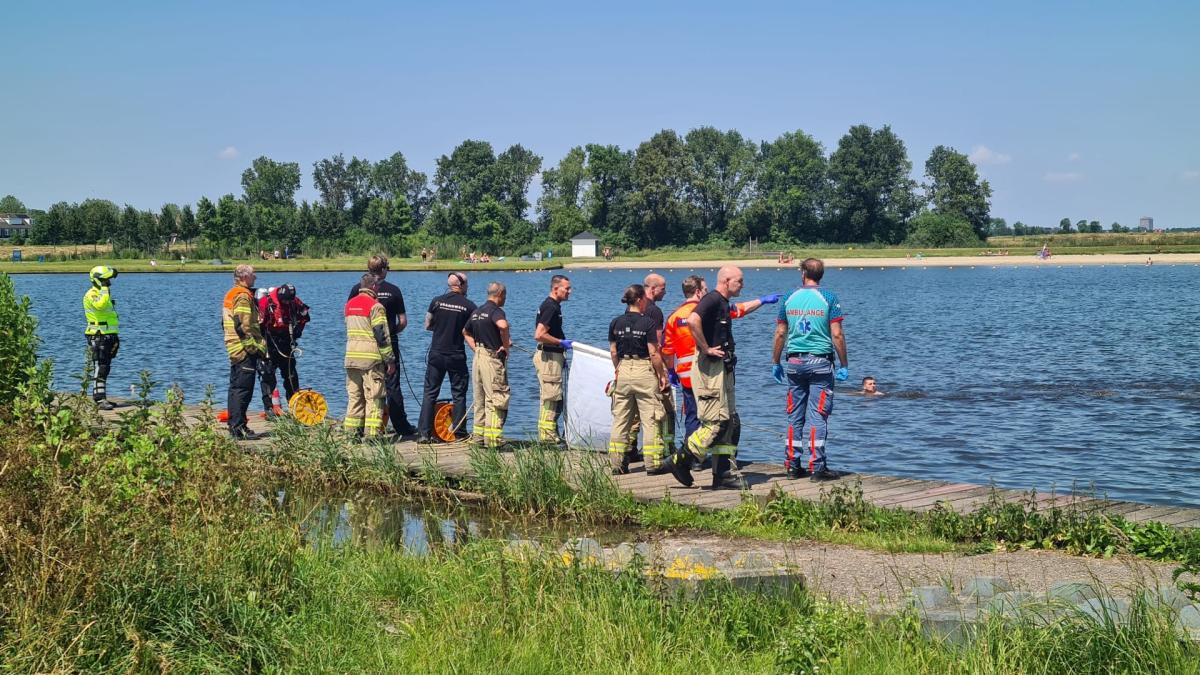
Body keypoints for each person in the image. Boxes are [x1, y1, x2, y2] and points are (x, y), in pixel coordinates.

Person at [661, 274, 777, 466]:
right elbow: (739, 310)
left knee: (693, 416)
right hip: (709, 372)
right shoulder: (710, 310)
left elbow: (666, 350)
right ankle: (700, 458)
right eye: (705, 290)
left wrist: (671, 371)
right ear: (698, 291)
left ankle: (693, 460)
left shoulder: (674, 317)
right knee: (717, 417)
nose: (707, 293)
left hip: (685, 375)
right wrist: (762, 301)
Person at [663, 266, 753, 489]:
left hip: (724, 368)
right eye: (740, 281)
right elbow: (693, 320)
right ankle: (681, 459)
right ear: (726, 280)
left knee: (730, 422)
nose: (743, 285)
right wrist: (706, 348)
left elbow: (739, 311)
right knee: (716, 422)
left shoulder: (722, 302)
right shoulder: (711, 299)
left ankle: (722, 474)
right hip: (710, 370)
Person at [771, 258, 849, 481]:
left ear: (803, 273)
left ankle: (792, 466)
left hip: (794, 364)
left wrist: (775, 362)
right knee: (818, 416)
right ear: (821, 275)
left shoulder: (789, 297)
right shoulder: (829, 298)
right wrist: (844, 364)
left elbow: (780, 333)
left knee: (794, 416)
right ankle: (817, 468)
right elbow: (837, 334)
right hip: (821, 364)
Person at [348, 255, 416, 437]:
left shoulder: (356, 289)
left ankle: (358, 429)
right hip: (387, 344)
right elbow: (403, 321)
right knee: (392, 386)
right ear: (384, 269)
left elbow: (350, 316)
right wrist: (392, 333)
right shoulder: (393, 290)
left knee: (360, 388)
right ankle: (400, 426)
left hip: (358, 346)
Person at [607, 284, 669, 475]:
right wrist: (661, 375)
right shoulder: (647, 323)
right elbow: (654, 353)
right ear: (641, 300)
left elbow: (613, 352)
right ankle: (653, 464)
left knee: (621, 419)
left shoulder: (615, 322)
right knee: (650, 418)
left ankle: (617, 464)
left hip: (623, 369)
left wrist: (618, 369)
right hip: (644, 370)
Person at [417, 273, 476, 442]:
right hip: (456, 355)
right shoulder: (469, 306)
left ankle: (424, 434)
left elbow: (427, 325)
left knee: (430, 393)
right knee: (459, 394)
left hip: (436, 353)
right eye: (467, 284)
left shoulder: (436, 301)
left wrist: (441, 328)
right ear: (461, 285)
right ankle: (459, 433)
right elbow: (472, 331)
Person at [344, 273, 396, 438]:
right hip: (370, 359)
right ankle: (372, 435)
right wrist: (390, 360)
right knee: (375, 396)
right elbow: (382, 336)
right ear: (374, 286)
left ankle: (352, 433)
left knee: (355, 396)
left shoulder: (349, 305)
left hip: (351, 357)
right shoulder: (376, 306)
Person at [464, 281, 511, 448]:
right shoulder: (496, 311)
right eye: (505, 296)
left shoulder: (477, 311)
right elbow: (503, 326)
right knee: (496, 397)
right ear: (500, 294)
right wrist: (505, 346)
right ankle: (493, 439)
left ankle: (478, 437)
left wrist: (476, 348)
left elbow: (465, 332)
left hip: (478, 357)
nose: (505, 299)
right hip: (491, 358)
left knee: (479, 398)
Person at [222, 265, 268, 440]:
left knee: (236, 389)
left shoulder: (232, 293)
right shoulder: (242, 296)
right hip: (243, 350)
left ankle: (236, 425)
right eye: (253, 274)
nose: (255, 277)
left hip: (234, 347)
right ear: (244, 277)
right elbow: (242, 325)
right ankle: (238, 428)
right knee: (243, 390)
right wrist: (253, 348)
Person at [257, 283, 310, 415]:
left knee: (291, 375)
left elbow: (305, 315)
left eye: (289, 301)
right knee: (268, 374)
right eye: (285, 300)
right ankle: (269, 408)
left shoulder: (294, 301)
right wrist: (261, 344)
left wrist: (299, 329)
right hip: (270, 341)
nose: (287, 303)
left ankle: (294, 406)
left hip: (286, 341)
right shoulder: (266, 302)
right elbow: (259, 324)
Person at [533, 274, 573, 443]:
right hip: (549, 357)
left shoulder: (554, 306)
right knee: (551, 396)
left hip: (553, 355)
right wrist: (560, 342)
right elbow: (539, 334)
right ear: (556, 289)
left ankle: (549, 433)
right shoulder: (551, 307)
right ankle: (547, 437)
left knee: (552, 395)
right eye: (567, 288)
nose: (570, 291)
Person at [83, 265, 120, 409]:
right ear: (98, 280)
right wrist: (104, 289)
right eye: (106, 280)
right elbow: (100, 306)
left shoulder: (103, 294)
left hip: (108, 334)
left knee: (105, 366)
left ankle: (102, 396)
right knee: (100, 366)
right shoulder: (92, 294)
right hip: (97, 335)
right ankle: (99, 399)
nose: (109, 283)